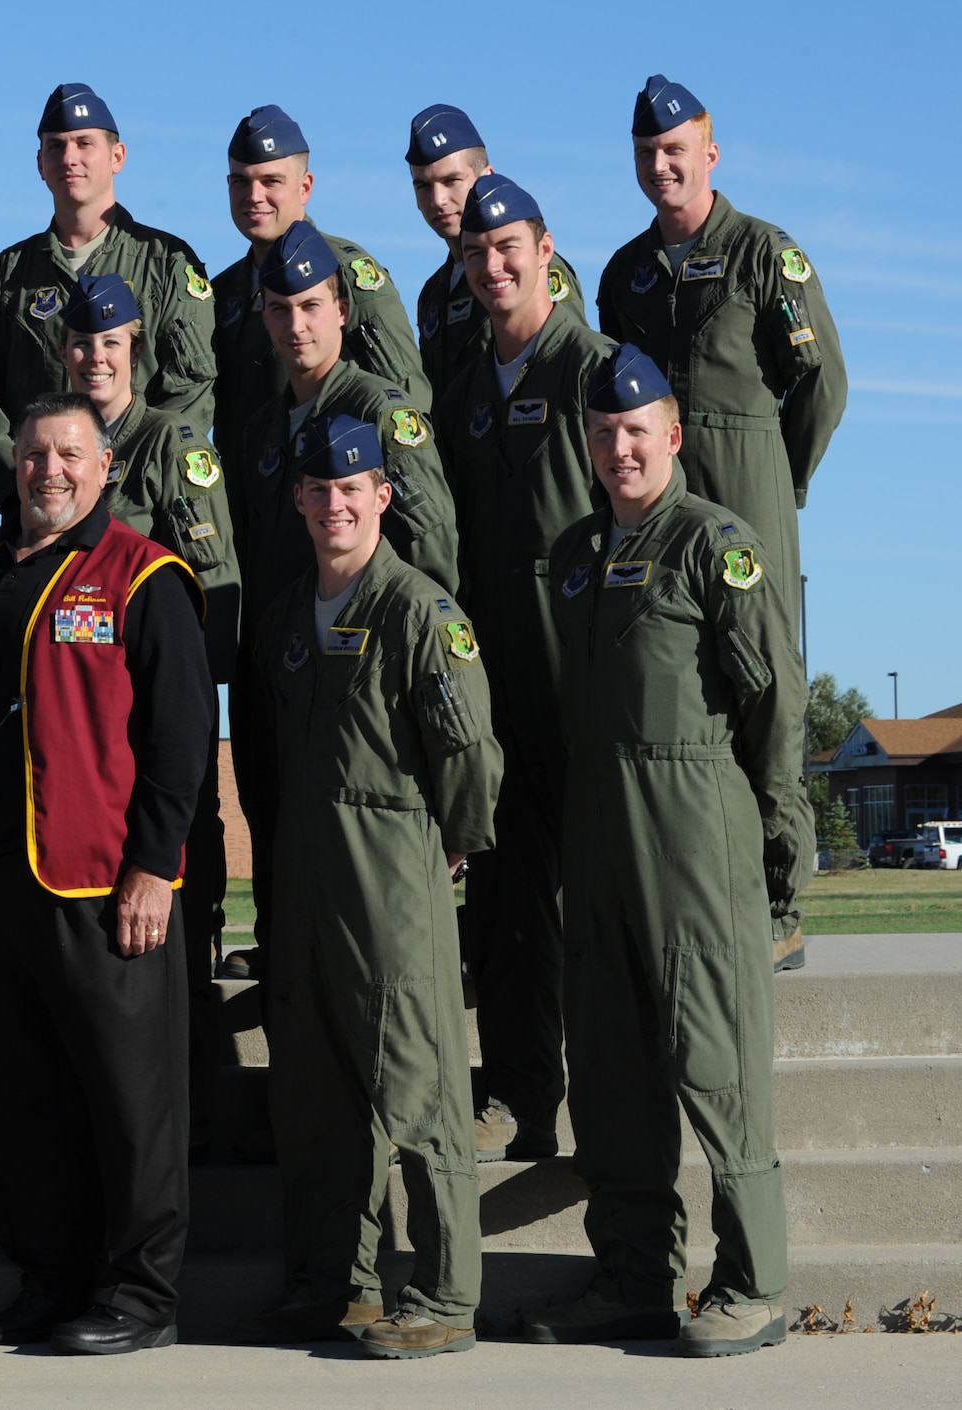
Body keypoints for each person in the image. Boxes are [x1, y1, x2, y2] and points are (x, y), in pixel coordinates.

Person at [0, 393, 215, 1355]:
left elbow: (178, 737)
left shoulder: (143, 574)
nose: (50, 470)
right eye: (35, 453)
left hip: (98, 885)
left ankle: (141, 1294)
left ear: (106, 465)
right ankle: (50, 1280)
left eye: (70, 454)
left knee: (128, 1101)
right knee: (20, 1102)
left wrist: (155, 869)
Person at [524, 346, 798, 1357]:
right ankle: (633, 1277)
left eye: (635, 431)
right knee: (606, 1070)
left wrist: (780, 842)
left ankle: (753, 1284)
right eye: (602, 434)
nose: (618, 448)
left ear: (672, 437)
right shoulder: (574, 555)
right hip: (598, 840)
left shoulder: (711, 545)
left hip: (694, 834)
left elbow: (769, 702)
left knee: (714, 1061)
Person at [237, 413, 501, 1359]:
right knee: (313, 1094)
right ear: (299, 500)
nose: (334, 505)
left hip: (391, 875)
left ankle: (440, 1295)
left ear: (382, 496)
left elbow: (469, 749)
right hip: (304, 881)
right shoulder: (282, 622)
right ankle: (333, 1284)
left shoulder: (421, 612)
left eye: (353, 489)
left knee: (418, 1087)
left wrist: (453, 846)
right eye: (318, 490)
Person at [597, 75, 845, 971]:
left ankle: (780, 899)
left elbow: (822, 383)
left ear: (711, 151)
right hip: (656, 509)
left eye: (676, 150)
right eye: (646, 155)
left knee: (763, 688)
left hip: (747, 488)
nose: (661, 166)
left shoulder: (763, 255)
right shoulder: (626, 275)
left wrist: (779, 479)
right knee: (676, 688)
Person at [435, 176, 615, 1163]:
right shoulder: (459, 392)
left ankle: (608, 1100)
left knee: (589, 898)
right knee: (501, 900)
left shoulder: (597, 373)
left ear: (545, 251)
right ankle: (514, 1096)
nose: (494, 266)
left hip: (578, 681)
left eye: (509, 248)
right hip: (493, 687)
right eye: (477, 253)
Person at [228, 224, 458, 926]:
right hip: (282, 672)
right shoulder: (261, 429)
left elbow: (434, 546)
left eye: (311, 307)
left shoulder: (382, 414)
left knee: (371, 891)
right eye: (279, 308)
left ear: (342, 312)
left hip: (364, 675)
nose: (295, 325)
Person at [54, 271, 238, 1005]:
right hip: (86, 715)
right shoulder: (59, 446)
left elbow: (215, 581)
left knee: (178, 888)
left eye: (110, 342)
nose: (95, 357)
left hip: (155, 705)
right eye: (80, 344)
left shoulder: (172, 443)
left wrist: (188, 701)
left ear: (136, 348)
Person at [0, 83, 217, 513]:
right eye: (55, 146)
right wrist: (26, 499)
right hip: (39, 516)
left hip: (139, 512)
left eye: (85, 144)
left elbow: (190, 396)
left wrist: (128, 484)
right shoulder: (7, 277)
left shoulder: (166, 264)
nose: (69, 158)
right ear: (40, 163)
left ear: (117, 157)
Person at [212, 105, 428, 453]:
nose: (254, 197)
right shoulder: (223, 292)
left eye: (271, 181)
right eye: (241, 182)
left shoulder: (345, 273)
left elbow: (407, 400)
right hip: (249, 497)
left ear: (305, 186)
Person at [404, 104, 584, 405]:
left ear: (487, 176)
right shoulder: (433, 293)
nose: (438, 200)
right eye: (423, 186)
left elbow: (572, 368)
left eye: (451, 181)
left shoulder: (535, 269)